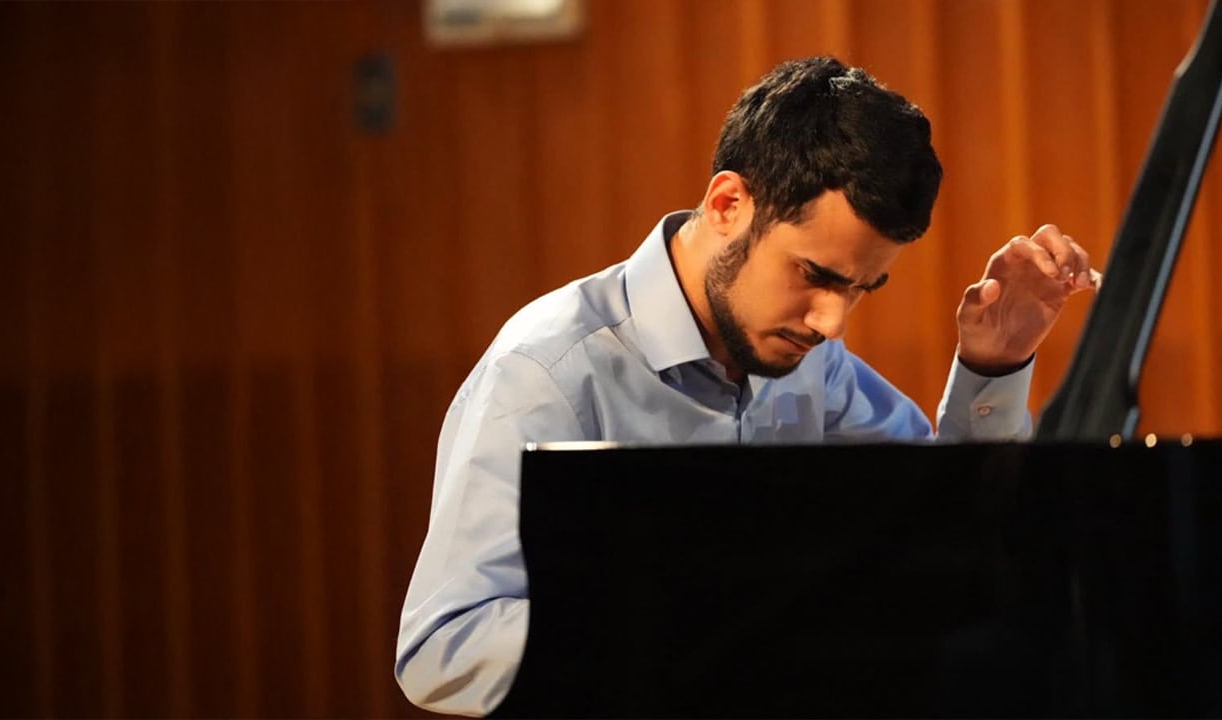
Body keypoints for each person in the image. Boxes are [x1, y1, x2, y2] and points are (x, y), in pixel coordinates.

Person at [395, 56, 1096, 716]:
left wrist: (994, 364)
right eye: (815, 275)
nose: (831, 321)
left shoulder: (811, 359)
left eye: (861, 288)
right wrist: (702, 625)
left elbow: (951, 529)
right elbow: (441, 645)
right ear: (728, 203)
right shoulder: (545, 371)